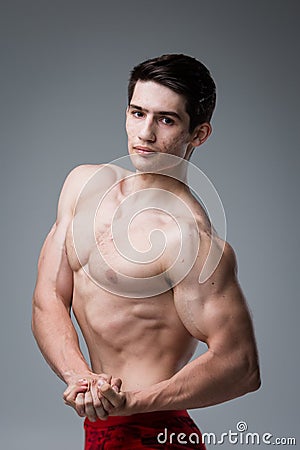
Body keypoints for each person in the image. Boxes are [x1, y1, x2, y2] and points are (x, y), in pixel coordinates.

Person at [32, 54, 260, 449]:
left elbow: (241, 366)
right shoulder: (82, 186)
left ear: (199, 134)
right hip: (100, 428)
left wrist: (128, 404)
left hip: (154, 434)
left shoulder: (191, 241)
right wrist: (80, 379)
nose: (146, 133)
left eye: (166, 120)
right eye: (138, 113)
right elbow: (48, 298)